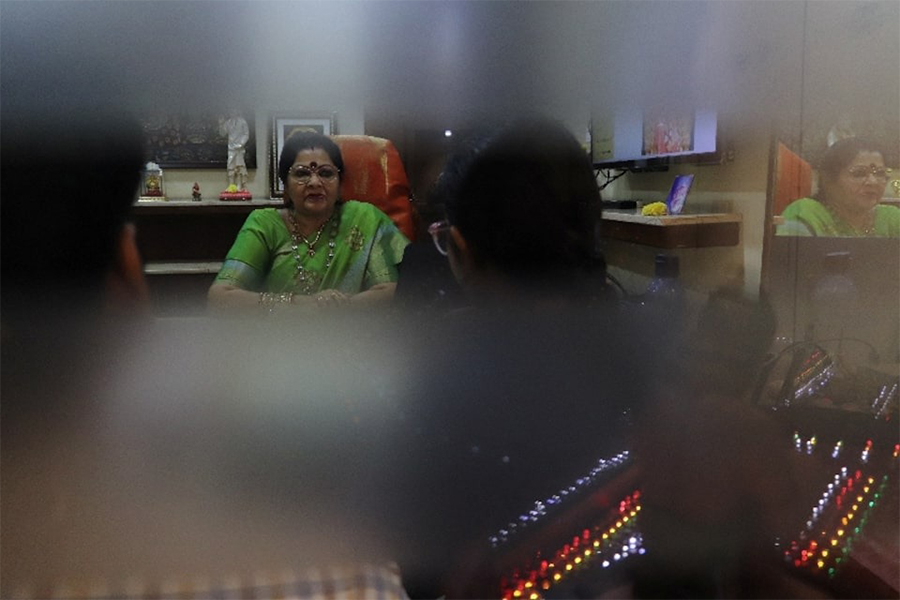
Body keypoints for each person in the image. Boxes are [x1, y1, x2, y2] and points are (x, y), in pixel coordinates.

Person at [208, 131, 410, 313]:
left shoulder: (365, 218)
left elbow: (390, 290)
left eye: (326, 173)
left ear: (341, 185)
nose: (315, 182)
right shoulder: (265, 224)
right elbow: (221, 297)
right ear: (285, 186)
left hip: (350, 338)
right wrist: (301, 305)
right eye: (302, 173)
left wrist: (339, 307)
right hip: (278, 340)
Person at [778, 137, 899, 237]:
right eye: (859, 174)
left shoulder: (891, 218)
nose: (873, 182)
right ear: (829, 180)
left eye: (880, 173)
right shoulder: (805, 213)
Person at [219, 110, 250, 191]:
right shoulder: (228, 122)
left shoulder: (242, 122)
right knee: (230, 166)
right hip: (231, 148)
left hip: (239, 148)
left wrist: (241, 143)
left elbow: (246, 134)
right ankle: (231, 185)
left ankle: (239, 185)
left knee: (239, 166)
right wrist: (221, 124)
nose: (232, 112)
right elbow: (222, 133)